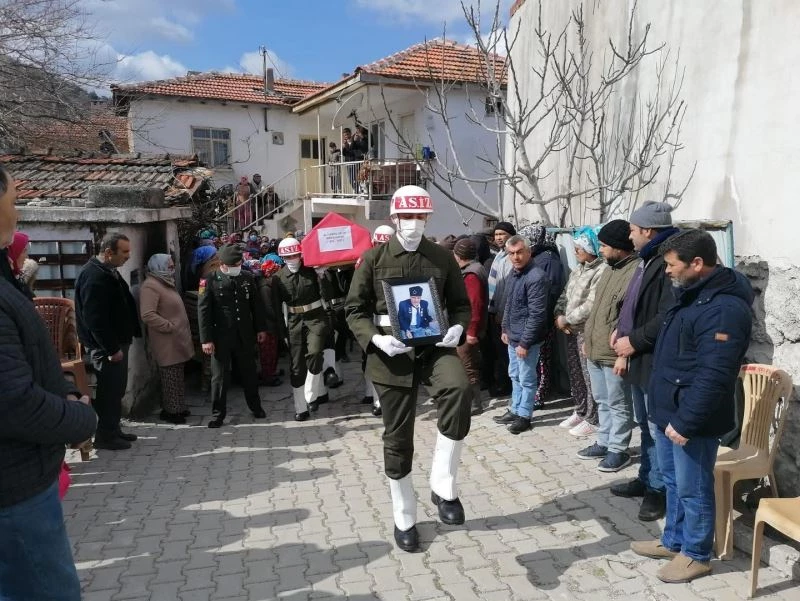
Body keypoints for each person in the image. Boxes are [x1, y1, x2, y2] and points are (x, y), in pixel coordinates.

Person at [346, 185, 472, 553]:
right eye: (406, 216)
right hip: (391, 354)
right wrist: (375, 339)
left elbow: (460, 304)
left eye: (420, 216)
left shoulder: (442, 258)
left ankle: (442, 484)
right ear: (394, 218)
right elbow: (354, 310)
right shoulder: (373, 259)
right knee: (398, 437)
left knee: (459, 389)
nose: (413, 224)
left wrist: (458, 327)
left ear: (427, 218)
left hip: (433, 347)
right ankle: (404, 514)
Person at [631, 229, 753, 584]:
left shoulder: (724, 309)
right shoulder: (691, 294)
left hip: (692, 419)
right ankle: (674, 541)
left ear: (697, 264)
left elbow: (714, 374)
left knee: (693, 487)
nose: (666, 271)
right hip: (671, 410)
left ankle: (697, 554)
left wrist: (686, 422)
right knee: (672, 482)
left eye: (671, 265)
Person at [0, 162, 98, 601]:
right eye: (14, 198)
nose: (17, 210)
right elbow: (12, 401)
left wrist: (66, 391)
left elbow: (30, 360)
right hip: (13, 494)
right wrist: (79, 419)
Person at [611, 201, 680, 521]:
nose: (630, 235)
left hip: (655, 359)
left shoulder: (668, 260)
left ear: (648, 231)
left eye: (633, 230)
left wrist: (633, 341)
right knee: (646, 426)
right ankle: (647, 478)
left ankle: (660, 491)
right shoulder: (647, 257)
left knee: (657, 428)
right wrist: (620, 330)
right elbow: (635, 303)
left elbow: (667, 315)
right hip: (639, 357)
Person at [576, 220, 638, 471]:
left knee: (618, 402)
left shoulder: (634, 271)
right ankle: (604, 440)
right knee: (602, 399)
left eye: (604, 245)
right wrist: (589, 340)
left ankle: (618, 449)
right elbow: (597, 309)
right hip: (595, 348)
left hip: (615, 353)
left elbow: (630, 315)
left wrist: (624, 353)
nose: (600, 250)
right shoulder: (609, 268)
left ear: (620, 246)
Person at [75, 232, 142, 451]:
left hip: (117, 342)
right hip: (106, 347)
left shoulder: (108, 271)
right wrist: (111, 348)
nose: (127, 256)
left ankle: (113, 429)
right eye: (123, 252)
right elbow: (95, 319)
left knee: (116, 390)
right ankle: (105, 435)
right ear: (108, 252)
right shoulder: (94, 276)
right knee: (109, 391)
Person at [198, 244, 268, 428]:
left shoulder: (247, 277)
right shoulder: (209, 280)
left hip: (244, 334)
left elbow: (256, 305)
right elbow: (203, 311)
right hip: (221, 337)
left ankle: (256, 407)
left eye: (240, 263)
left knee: (249, 373)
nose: (239, 266)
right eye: (235, 263)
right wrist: (206, 339)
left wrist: (260, 328)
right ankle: (217, 414)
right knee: (219, 377)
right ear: (223, 264)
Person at [272, 237, 334, 421]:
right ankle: (301, 408)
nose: (293, 258)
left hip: (315, 318)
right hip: (294, 322)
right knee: (297, 367)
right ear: (282, 257)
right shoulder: (278, 278)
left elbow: (328, 295)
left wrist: (323, 277)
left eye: (295, 254)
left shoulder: (311, 271)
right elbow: (276, 309)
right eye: (288, 255)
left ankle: (311, 394)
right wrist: (281, 333)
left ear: (301, 253)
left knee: (315, 353)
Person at [554, 226, 607, 437]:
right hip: (570, 329)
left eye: (579, 248)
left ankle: (594, 419)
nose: (575, 251)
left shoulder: (600, 270)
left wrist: (568, 319)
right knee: (576, 374)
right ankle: (582, 409)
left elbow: (590, 305)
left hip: (586, 330)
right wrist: (559, 315)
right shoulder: (579, 268)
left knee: (589, 376)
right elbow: (566, 294)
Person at [495, 235, 550, 435]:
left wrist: (525, 342)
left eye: (519, 252)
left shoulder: (536, 276)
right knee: (515, 375)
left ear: (528, 252)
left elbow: (537, 314)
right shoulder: (514, 273)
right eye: (512, 253)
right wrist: (504, 329)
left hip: (526, 339)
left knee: (527, 379)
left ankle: (525, 416)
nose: (516, 257)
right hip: (513, 335)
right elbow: (509, 304)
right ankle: (515, 408)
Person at [139, 254, 194, 424]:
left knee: (177, 375)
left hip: (176, 338)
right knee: (170, 375)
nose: (172, 268)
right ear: (159, 267)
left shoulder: (164, 281)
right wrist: (169, 326)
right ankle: (171, 411)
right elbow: (148, 314)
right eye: (169, 265)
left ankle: (178, 407)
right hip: (166, 340)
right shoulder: (151, 286)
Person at [519, 224, 565, 409]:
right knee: (533, 359)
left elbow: (551, 292)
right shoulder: (537, 257)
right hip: (532, 318)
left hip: (543, 318)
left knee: (543, 358)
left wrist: (542, 318)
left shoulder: (549, 260)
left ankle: (540, 394)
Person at [361, 224, 395, 417]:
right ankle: (376, 399)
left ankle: (383, 399)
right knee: (372, 362)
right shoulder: (366, 262)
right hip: (371, 320)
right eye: (379, 243)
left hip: (394, 322)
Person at [452, 237, 489, 416]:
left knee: (467, 364)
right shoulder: (474, 268)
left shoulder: (472, 274)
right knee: (467, 363)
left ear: (458, 255)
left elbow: (475, 304)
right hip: (467, 327)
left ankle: (475, 404)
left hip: (468, 329)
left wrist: (471, 331)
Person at [486, 222, 516, 396]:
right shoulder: (500, 254)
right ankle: (504, 383)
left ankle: (508, 386)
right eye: (496, 234)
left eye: (502, 234)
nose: (498, 238)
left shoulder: (510, 257)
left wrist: (501, 312)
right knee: (500, 352)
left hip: (503, 312)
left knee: (506, 353)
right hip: (495, 309)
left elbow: (507, 288)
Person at [255, 259, 283, 387]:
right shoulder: (265, 287)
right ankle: (268, 376)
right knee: (268, 352)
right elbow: (268, 308)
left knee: (272, 351)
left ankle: (271, 372)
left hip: (270, 324)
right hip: (267, 326)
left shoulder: (269, 285)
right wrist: (278, 319)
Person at [5, 230, 34, 298]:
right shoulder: (6, 284)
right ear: (12, 253)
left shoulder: (15, 280)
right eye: (23, 251)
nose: (27, 257)